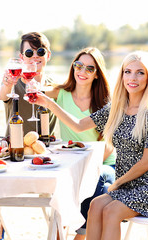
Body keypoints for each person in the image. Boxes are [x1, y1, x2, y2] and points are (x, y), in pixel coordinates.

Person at [29, 51, 148, 240]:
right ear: (121, 75)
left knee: (112, 212)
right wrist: (48, 103)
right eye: (127, 71)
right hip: (129, 185)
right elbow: (79, 125)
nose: (132, 77)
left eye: (140, 72)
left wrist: (118, 183)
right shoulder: (116, 108)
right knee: (95, 206)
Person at [45, 47, 116, 239]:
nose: (82, 72)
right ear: (73, 67)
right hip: (70, 162)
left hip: (104, 163)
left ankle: (80, 235)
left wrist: (85, 169)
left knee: (96, 179)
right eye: (78, 65)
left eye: (89, 69)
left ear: (97, 75)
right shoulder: (60, 93)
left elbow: (109, 148)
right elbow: (34, 87)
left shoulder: (105, 103)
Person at [0, 31, 57, 136]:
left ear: (48, 55)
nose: (35, 56)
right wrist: (7, 84)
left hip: (47, 149)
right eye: (29, 53)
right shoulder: (13, 81)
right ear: (22, 57)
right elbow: (3, 96)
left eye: (40, 52)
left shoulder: (54, 85)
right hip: (16, 148)